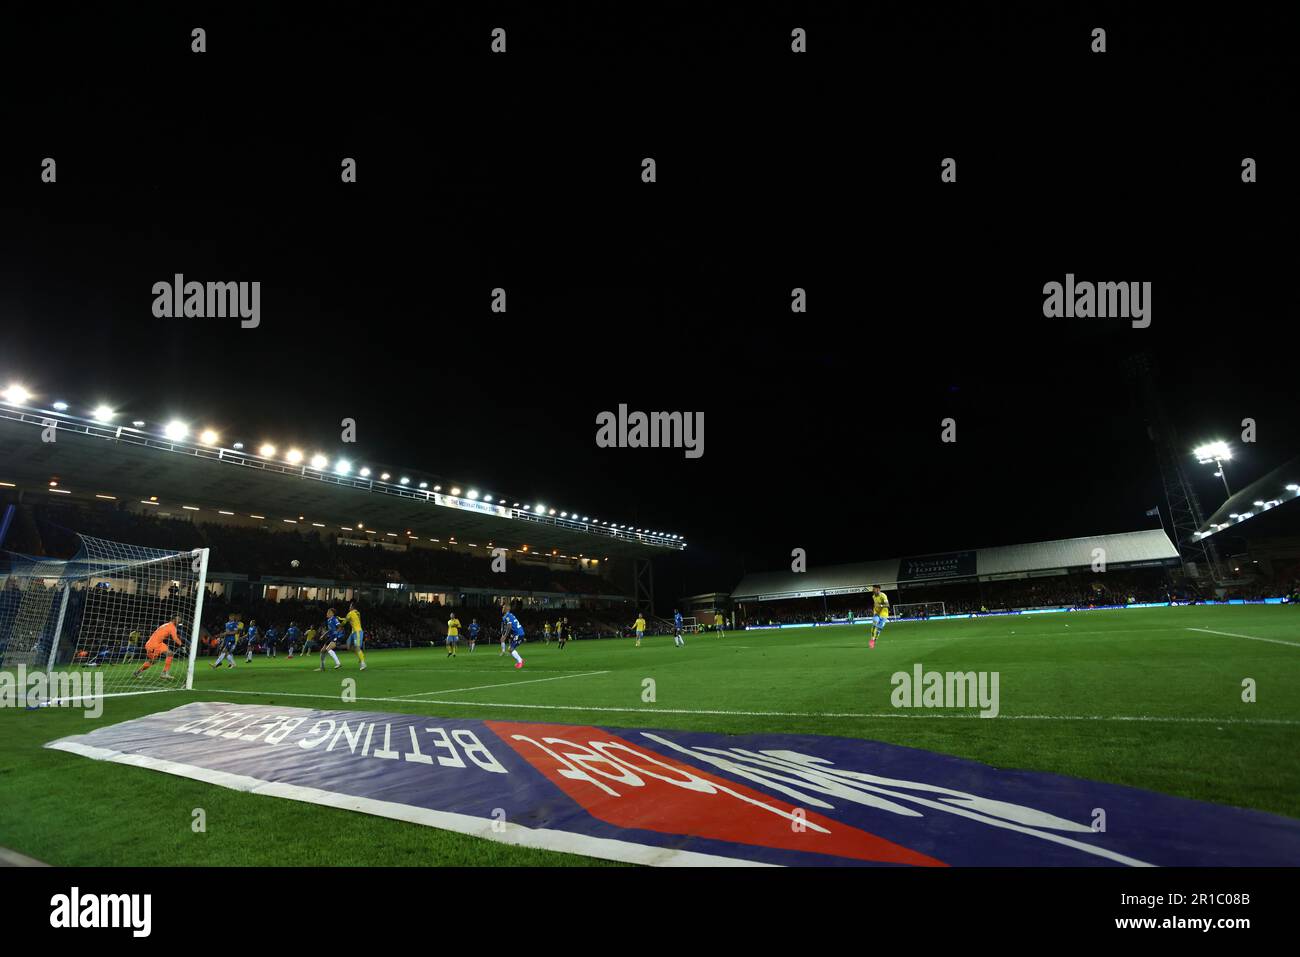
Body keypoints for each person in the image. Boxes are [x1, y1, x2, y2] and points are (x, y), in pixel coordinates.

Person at [501, 603, 526, 669]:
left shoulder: (507, 616)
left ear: (507, 609)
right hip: (518, 633)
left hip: (518, 634)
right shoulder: (509, 615)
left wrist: (505, 636)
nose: (502, 608)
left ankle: (520, 661)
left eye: (503, 607)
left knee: (510, 649)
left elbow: (509, 626)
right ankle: (520, 660)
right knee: (510, 649)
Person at [344, 601, 367, 671]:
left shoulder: (350, 613)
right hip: (353, 632)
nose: (349, 607)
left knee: (357, 647)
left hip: (357, 631)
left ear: (352, 607)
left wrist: (339, 620)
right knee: (348, 646)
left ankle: (363, 663)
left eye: (350, 606)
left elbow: (344, 622)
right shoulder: (357, 613)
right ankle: (360, 656)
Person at [869, 585, 890, 649]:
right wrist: (874, 610)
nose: (872, 590)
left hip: (884, 614)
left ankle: (875, 640)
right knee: (874, 624)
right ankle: (872, 640)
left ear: (878, 589)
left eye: (874, 589)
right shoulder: (873, 596)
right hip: (876, 614)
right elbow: (875, 604)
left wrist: (880, 605)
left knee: (879, 629)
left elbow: (888, 605)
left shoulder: (883, 595)